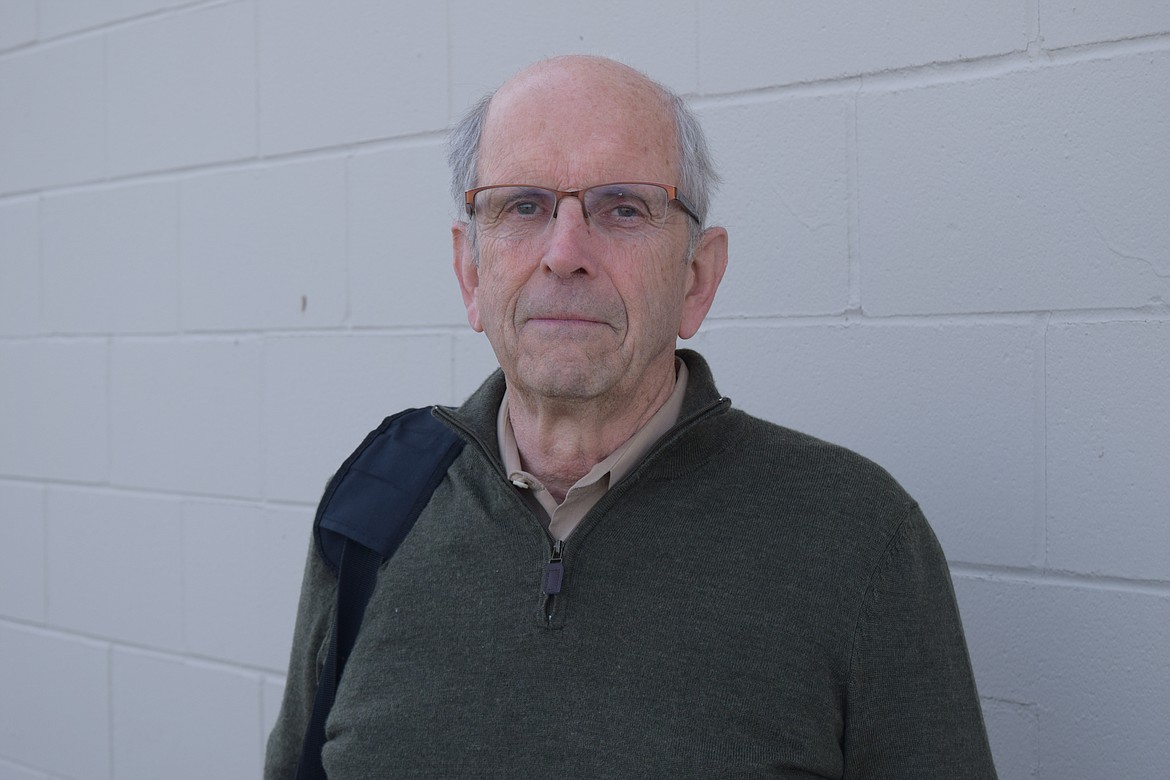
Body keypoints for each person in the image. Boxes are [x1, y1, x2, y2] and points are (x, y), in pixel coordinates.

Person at [265, 55, 997, 778]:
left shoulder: (858, 538)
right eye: (523, 205)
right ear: (471, 273)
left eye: (623, 208)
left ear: (696, 279)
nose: (564, 253)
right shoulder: (379, 502)